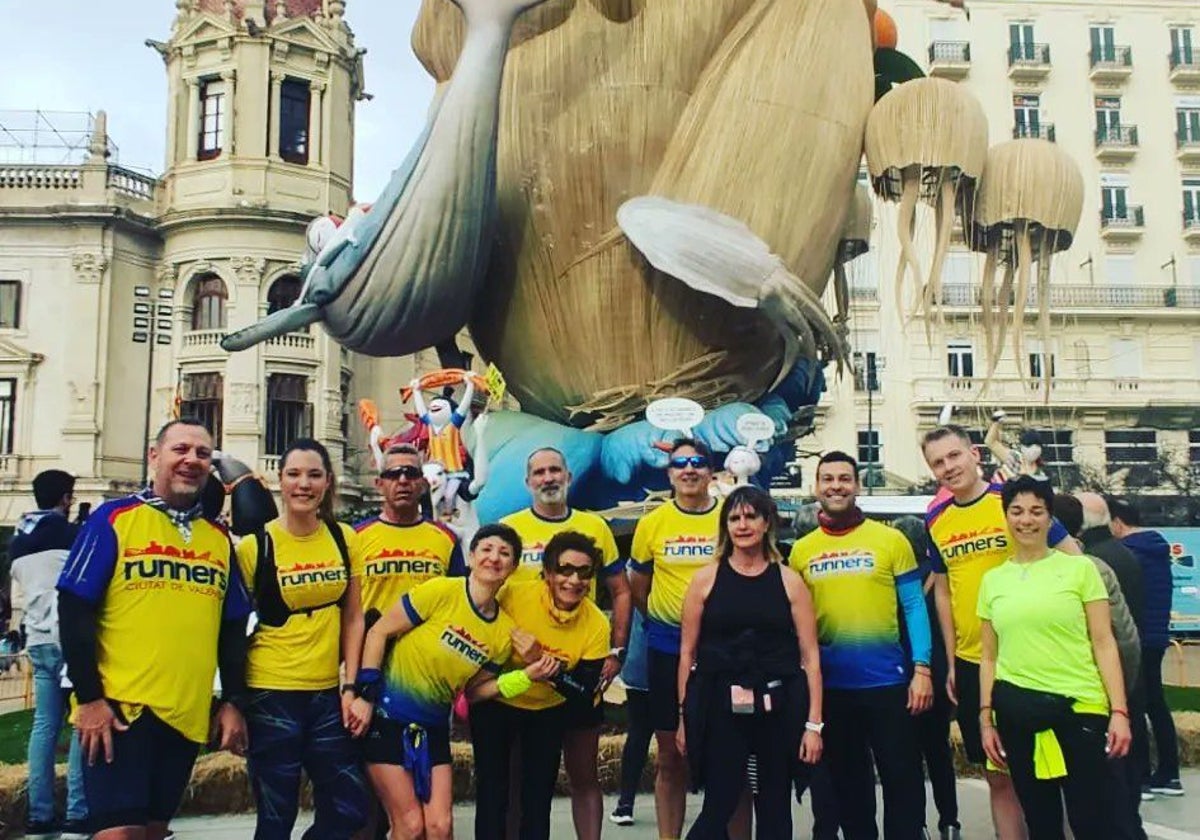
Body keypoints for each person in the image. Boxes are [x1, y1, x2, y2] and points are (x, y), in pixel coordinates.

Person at [57, 418, 251, 839]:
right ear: (154, 456)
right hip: (120, 713)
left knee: (152, 832)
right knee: (118, 834)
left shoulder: (218, 538)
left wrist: (233, 700)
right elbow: (73, 610)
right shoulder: (114, 519)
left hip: (183, 718)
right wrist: (89, 698)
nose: (191, 460)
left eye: (202, 453)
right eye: (180, 449)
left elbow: (233, 627)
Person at [921, 424, 1077, 840]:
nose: (948, 467)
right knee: (998, 774)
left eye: (954, 456)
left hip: (1032, 657)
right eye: (938, 463)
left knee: (1048, 774)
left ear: (974, 453)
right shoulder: (936, 520)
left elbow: (1073, 557)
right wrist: (952, 660)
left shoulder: (1013, 503)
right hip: (976, 663)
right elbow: (943, 590)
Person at [350, 523, 555, 840]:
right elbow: (379, 632)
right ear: (471, 557)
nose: (494, 558)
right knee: (410, 826)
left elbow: (474, 693)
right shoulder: (441, 591)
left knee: (440, 827)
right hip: (387, 718)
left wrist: (525, 677)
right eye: (486, 549)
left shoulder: (503, 632)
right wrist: (364, 694)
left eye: (504, 553)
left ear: (513, 567)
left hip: (432, 728)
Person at [978, 476, 1132, 839]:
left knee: (1091, 818)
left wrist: (1120, 712)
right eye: (1016, 511)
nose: (1026, 520)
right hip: (1019, 712)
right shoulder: (993, 581)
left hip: (1081, 709)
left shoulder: (1080, 570)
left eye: (1036, 511)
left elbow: (1104, 641)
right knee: (1041, 819)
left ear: (1050, 518)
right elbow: (989, 655)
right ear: (1006, 517)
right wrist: (986, 719)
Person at [789, 452, 931, 840]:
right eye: (828, 479)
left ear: (857, 484)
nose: (836, 486)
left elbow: (915, 607)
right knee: (851, 792)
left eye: (845, 478)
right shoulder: (802, 551)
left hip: (889, 685)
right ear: (816, 486)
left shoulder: (891, 540)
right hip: (833, 689)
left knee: (902, 782)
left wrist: (922, 668)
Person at [235, 438, 369, 839]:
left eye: (313, 475)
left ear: (328, 482)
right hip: (270, 691)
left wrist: (350, 685)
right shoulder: (254, 546)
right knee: (277, 817)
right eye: (294, 474)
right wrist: (231, 702)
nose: (303, 484)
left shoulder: (344, 538)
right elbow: (233, 629)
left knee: (349, 807)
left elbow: (354, 616)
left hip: (326, 693)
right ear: (281, 480)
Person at [677, 485, 823, 839]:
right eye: (734, 518)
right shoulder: (705, 580)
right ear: (725, 526)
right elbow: (687, 653)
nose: (742, 525)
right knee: (719, 806)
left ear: (766, 522)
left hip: (777, 708)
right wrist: (684, 717)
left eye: (750, 516)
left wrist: (813, 725)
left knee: (775, 809)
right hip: (722, 707)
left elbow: (810, 656)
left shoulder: (789, 581)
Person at [501, 447, 631, 840]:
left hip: (578, 663)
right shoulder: (510, 528)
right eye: (538, 472)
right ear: (527, 482)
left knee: (584, 774)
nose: (547, 478)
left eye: (554, 470)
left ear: (569, 477)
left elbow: (620, 591)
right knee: (516, 781)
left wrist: (617, 650)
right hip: (522, 668)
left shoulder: (596, 527)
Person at [471, 530, 611, 840]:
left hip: (547, 711)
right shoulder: (513, 595)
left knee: (536, 799)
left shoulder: (597, 623)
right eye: (564, 570)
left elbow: (584, 696)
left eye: (584, 572)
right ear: (547, 573)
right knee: (494, 795)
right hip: (498, 703)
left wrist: (545, 665)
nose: (573, 580)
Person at [627, 439, 721, 840]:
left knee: (725, 754)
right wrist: (664, 620)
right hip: (666, 646)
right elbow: (638, 586)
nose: (689, 470)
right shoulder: (652, 523)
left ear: (710, 472)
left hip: (721, 650)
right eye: (680, 463)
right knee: (669, 756)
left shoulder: (729, 517)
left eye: (698, 462)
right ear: (669, 474)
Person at [1053, 494, 1146, 840]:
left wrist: (1115, 695)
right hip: (1122, 691)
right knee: (1118, 796)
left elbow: (1121, 638)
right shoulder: (1121, 554)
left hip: (1102, 695)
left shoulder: (1091, 567)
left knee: (1104, 803)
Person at [10, 469, 88, 839]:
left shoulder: (17, 537)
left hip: (38, 637)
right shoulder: (68, 533)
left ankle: (39, 813)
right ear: (65, 498)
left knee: (44, 726)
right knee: (80, 722)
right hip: (68, 637)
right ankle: (78, 809)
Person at [1107, 497, 1183, 798]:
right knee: (1157, 704)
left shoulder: (1128, 552)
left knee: (1134, 706)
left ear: (1117, 522)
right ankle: (1169, 773)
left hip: (1136, 638)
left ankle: (1140, 777)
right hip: (1157, 636)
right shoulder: (1157, 549)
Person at [892, 515, 960, 840]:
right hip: (940, 672)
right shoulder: (942, 579)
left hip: (903, 675)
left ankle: (916, 823)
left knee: (908, 755)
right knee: (938, 751)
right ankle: (949, 821)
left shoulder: (896, 583)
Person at [356, 444, 467, 626]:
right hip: (371, 650)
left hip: (427, 651)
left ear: (423, 484)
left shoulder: (446, 538)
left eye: (411, 473)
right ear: (379, 484)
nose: (402, 480)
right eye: (393, 474)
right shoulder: (355, 537)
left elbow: (459, 602)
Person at [610, 607, 652, 827]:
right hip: (650, 653)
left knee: (638, 733)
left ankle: (625, 803)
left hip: (640, 654)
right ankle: (625, 803)